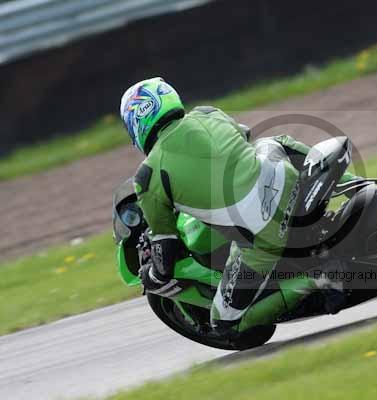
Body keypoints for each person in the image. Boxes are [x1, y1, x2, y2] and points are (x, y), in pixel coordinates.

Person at [120, 77, 358, 338]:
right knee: (272, 142)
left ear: (136, 124)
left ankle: (320, 277)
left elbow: (165, 246)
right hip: (286, 180)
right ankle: (355, 185)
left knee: (225, 324)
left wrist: (153, 276)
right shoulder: (207, 113)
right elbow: (243, 137)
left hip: (264, 233)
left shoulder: (147, 177)